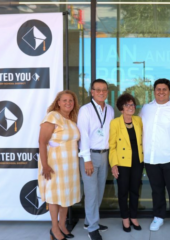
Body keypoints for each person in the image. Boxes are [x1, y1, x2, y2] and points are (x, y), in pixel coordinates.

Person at [139, 78, 170, 234]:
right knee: (156, 190)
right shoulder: (145, 109)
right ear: (154, 91)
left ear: (169, 91)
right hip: (150, 158)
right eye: (158, 89)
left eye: (164, 89)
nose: (161, 92)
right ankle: (158, 216)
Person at [38, 90, 81, 240]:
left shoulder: (71, 119)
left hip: (70, 166)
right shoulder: (52, 117)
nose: (68, 103)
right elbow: (42, 142)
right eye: (65, 100)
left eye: (71, 100)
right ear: (58, 102)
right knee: (55, 197)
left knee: (66, 196)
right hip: (55, 165)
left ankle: (62, 225)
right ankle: (54, 229)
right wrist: (45, 165)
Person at [78, 79, 114, 240]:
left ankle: (89, 221)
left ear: (107, 92)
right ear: (91, 92)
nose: (101, 92)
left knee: (99, 191)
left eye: (104, 90)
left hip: (105, 154)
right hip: (90, 155)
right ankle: (93, 228)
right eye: (97, 89)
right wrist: (86, 159)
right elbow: (83, 136)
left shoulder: (110, 110)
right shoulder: (85, 110)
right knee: (91, 192)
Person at [109, 93, 144, 232]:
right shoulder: (115, 123)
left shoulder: (138, 120)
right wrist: (114, 164)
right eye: (127, 105)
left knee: (135, 190)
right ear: (121, 108)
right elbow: (112, 146)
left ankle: (133, 216)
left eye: (132, 104)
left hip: (137, 162)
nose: (131, 107)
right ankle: (125, 218)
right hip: (122, 163)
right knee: (123, 191)